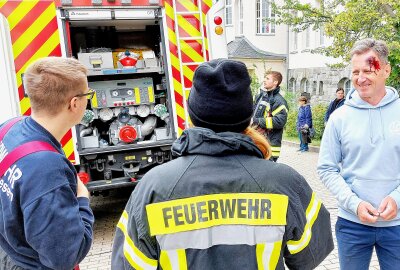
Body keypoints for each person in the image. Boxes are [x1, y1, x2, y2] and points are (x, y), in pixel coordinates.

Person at [112, 59, 333, 269]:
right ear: (248, 117)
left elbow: (128, 264)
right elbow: (310, 255)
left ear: (192, 116)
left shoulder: (153, 187)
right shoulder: (286, 182)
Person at [0, 57, 94, 269]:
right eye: (88, 94)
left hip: (9, 253)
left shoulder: (8, 129)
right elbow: (66, 257)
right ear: (75, 103)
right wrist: (82, 199)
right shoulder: (47, 169)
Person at [318, 38, 400, 270]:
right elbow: (326, 168)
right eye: (355, 71)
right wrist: (354, 204)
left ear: (386, 70)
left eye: (368, 70)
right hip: (352, 224)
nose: (360, 78)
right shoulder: (339, 118)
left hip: (397, 225)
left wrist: (397, 199)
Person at [252, 71, 288, 162]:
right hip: (258, 142)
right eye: (264, 78)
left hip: (270, 146)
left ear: (275, 82)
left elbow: (280, 121)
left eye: (267, 78)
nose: (264, 80)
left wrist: (256, 121)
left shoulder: (279, 101)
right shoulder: (261, 97)